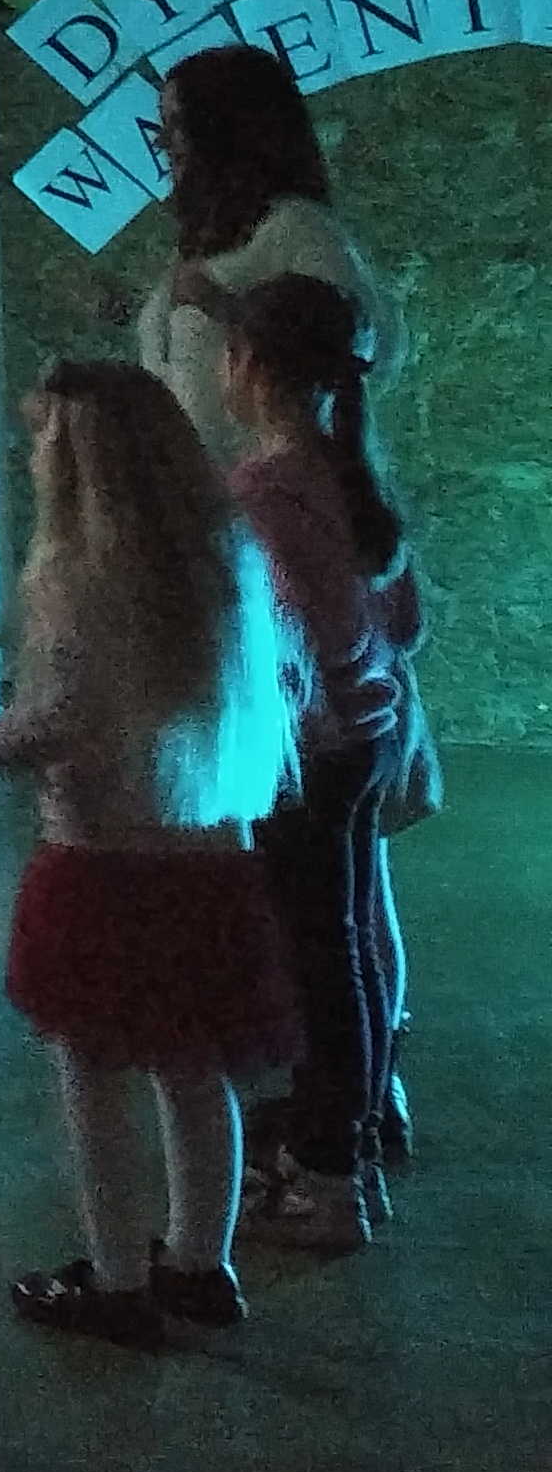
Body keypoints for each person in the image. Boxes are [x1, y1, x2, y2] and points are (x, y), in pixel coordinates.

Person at [0, 361, 301, 1345]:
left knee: (93, 1078)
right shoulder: (224, 556)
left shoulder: (75, 575)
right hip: (211, 855)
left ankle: (113, 1281)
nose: (30, 453)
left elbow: (65, 715)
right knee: (193, 1069)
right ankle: (200, 1263)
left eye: (40, 436)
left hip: (99, 862)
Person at [220, 277, 418, 1256]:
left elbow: (298, 634)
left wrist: (316, 705)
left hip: (311, 753)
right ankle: (354, 1138)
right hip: (365, 740)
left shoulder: (265, 487)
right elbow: (403, 623)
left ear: (251, 366)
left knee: (320, 957)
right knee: (347, 945)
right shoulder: (351, 471)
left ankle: (328, 1175)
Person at [133, 44, 399, 462]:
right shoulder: (203, 244)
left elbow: (359, 343)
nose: (162, 141)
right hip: (209, 486)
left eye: (178, 124)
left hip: (280, 486)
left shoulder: (297, 226)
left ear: (225, 129)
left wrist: (227, 308)